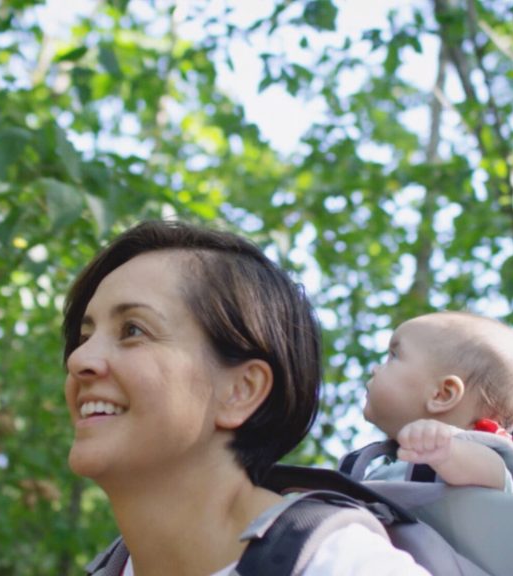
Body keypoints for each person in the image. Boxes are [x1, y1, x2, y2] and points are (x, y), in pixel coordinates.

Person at [62, 220, 429, 575]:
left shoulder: (342, 565)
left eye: (133, 330)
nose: (79, 360)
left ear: (241, 391)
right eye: (84, 337)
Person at [360, 311, 513, 492]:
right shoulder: (390, 467)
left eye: (394, 356)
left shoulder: (482, 453)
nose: (375, 368)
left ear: (442, 395)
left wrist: (447, 451)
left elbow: (498, 475)